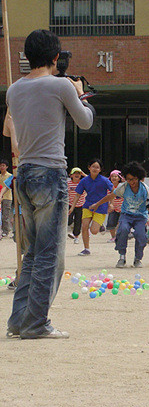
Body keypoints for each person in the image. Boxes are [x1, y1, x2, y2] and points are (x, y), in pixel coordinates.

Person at [6, 29, 94, 339]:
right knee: (50, 255)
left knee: (32, 252)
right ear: (55, 58)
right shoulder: (60, 86)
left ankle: (18, 320)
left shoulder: (13, 90)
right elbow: (85, 121)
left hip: (26, 173)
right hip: (51, 172)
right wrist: (81, 93)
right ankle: (35, 323)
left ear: (27, 57)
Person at [90, 162, 149, 268]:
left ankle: (137, 258)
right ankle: (122, 256)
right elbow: (110, 196)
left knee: (141, 235)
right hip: (126, 215)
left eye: (133, 179)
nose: (131, 182)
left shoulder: (145, 190)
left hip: (140, 216)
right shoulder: (123, 187)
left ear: (138, 178)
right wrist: (97, 204)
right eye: (128, 179)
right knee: (122, 230)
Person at [70, 158, 112, 256]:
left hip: (101, 207)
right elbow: (77, 195)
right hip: (87, 206)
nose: (95, 169)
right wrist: (72, 207)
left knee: (93, 231)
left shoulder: (104, 180)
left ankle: (100, 225)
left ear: (100, 170)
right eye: (93, 166)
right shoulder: (84, 181)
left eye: (97, 167)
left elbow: (113, 192)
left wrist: (111, 204)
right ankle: (86, 249)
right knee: (84, 227)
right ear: (89, 168)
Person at [67, 167, 86, 243]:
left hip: (81, 205)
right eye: (75, 173)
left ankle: (76, 237)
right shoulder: (68, 183)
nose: (77, 175)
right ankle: (72, 226)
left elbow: (92, 180)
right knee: (68, 220)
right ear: (71, 175)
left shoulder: (82, 182)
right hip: (70, 204)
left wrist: (84, 174)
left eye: (79, 173)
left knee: (78, 221)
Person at [0, 159, 13, 238]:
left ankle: (6, 231)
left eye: (3, 165)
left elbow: (8, 187)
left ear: (7, 167)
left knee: (5, 215)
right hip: (0, 198)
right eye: (1, 165)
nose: (2, 167)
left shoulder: (10, 176)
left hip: (7, 198)